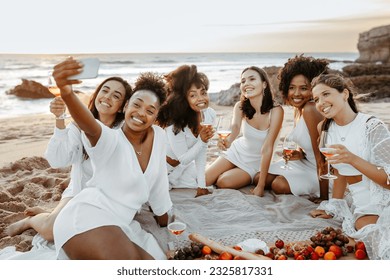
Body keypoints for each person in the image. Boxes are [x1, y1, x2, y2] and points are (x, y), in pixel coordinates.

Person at [51, 57, 172, 260]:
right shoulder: (110, 140)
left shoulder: (159, 136)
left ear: (156, 116)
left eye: (150, 111)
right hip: (86, 216)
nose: (141, 113)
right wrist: (67, 93)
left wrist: (164, 220)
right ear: (125, 106)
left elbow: (159, 183)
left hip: (120, 225)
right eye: (137, 105)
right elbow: (89, 124)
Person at [5, 76, 132, 242]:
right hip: (79, 190)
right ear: (97, 95)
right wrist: (60, 119)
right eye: (105, 90)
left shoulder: (124, 131)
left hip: (109, 195)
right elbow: (57, 161)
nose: (107, 97)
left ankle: (51, 212)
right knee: (51, 232)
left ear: (123, 107)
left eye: (116, 96)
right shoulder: (77, 126)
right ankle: (30, 220)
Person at [309, 73, 390, 240]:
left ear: (344, 94)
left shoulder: (372, 126)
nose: (320, 103)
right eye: (316, 99)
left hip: (383, 199)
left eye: (326, 94)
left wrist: (352, 158)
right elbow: (340, 172)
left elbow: (388, 181)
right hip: (362, 205)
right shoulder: (324, 128)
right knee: (368, 232)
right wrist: (335, 206)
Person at [205, 66, 283, 194]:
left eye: (252, 79)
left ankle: (232, 171)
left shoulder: (276, 110)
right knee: (205, 180)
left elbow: (267, 147)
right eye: (243, 81)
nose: (246, 84)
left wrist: (260, 186)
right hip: (237, 151)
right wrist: (227, 141)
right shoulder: (240, 106)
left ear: (264, 84)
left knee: (223, 182)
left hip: (256, 162)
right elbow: (235, 128)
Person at [262, 55, 329, 200]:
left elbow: (322, 158)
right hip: (304, 162)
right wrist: (299, 154)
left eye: (304, 88)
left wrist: (324, 199)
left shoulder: (311, 109)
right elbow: (308, 142)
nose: (297, 94)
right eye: (292, 88)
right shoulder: (298, 108)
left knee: (279, 185)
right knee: (260, 177)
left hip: (321, 171)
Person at [156, 65, 215, 198]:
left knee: (204, 180)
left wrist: (202, 186)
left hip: (181, 169)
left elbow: (202, 150)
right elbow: (184, 159)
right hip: (161, 169)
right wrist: (202, 140)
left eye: (203, 92)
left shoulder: (209, 114)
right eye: (193, 95)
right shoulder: (174, 123)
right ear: (184, 99)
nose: (200, 99)